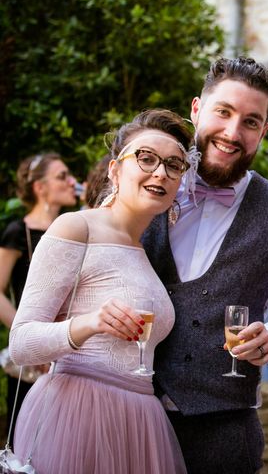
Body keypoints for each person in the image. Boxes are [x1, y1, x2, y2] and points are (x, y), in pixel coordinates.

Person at [141, 57, 268, 474]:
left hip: (225, 432)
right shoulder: (146, 187)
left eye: (251, 122)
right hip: (131, 413)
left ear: (264, 132)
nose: (233, 133)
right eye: (223, 112)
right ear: (197, 109)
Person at [9, 109, 192, 473]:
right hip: (77, 415)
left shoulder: (147, 251)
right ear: (114, 170)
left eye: (174, 164)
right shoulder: (76, 227)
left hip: (139, 422)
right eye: (146, 158)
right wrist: (89, 323)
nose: (161, 172)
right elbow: (21, 343)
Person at [0, 152, 77, 444]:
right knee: (24, 439)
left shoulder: (77, 228)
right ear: (39, 187)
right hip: (32, 360)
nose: (72, 182)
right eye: (62, 176)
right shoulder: (18, 232)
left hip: (69, 352)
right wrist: (32, 339)